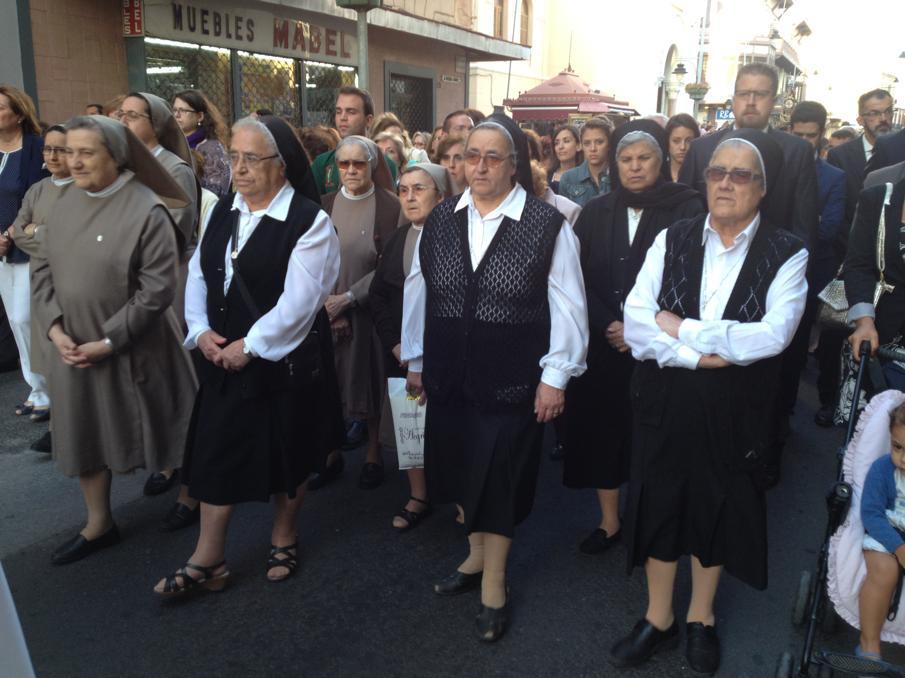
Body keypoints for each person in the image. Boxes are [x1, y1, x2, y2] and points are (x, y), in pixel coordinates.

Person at [614, 130, 807, 673]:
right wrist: (703, 353)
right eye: (717, 172)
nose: (725, 182)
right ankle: (658, 619)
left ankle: (701, 618)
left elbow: (773, 335)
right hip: (665, 398)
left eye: (740, 175)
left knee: (715, 507)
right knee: (658, 504)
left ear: (762, 188)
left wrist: (684, 330)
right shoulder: (672, 237)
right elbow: (636, 318)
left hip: (735, 409)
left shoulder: (788, 250)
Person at [402, 117, 588, 642]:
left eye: (492, 157)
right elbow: (421, 290)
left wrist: (555, 377)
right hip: (448, 375)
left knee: (499, 478)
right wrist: (415, 359)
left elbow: (569, 308)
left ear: (513, 166)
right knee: (462, 469)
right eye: (470, 155)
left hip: (512, 379)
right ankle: (474, 558)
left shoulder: (546, 225)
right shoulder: (441, 219)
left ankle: (496, 583)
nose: (479, 166)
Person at [152, 115, 342, 595]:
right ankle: (209, 557)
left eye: (251, 159)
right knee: (215, 452)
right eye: (234, 157)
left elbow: (300, 304)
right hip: (221, 351)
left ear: (281, 165)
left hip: (282, 358)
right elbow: (199, 273)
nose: (239, 168)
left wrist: (250, 346)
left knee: (288, 453)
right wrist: (200, 331)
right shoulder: (223, 210)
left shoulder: (309, 221)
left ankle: (284, 535)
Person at [31, 116, 196, 565]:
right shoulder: (61, 203)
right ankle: (99, 522)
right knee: (85, 430)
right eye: (69, 151)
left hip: (140, 344)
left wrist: (109, 339)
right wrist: (54, 329)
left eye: (86, 152)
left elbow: (158, 288)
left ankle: (193, 497)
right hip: (73, 343)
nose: (73, 161)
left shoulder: (146, 208)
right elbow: (41, 270)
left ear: (116, 156)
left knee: (170, 423)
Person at [564, 120, 705, 556]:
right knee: (604, 432)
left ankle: (652, 521)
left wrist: (638, 329)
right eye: (626, 159)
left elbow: (691, 278)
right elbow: (576, 276)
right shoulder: (597, 211)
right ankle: (610, 521)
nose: (635, 166)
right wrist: (610, 323)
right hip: (605, 342)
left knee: (653, 439)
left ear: (661, 161)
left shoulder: (686, 208)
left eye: (644, 158)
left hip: (659, 346)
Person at [118, 92, 201, 502]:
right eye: (122, 114)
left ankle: (180, 457)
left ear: (157, 123)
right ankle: (161, 450)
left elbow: (172, 232)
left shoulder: (175, 169)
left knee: (171, 369)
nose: (125, 120)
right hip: (130, 281)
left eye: (134, 115)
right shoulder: (122, 168)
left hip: (167, 281)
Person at [309, 136, 401, 492]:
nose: (350, 171)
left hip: (368, 310)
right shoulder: (323, 205)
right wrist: (328, 304)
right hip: (326, 310)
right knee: (327, 385)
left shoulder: (390, 207)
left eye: (358, 164)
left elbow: (388, 266)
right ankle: (330, 454)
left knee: (370, 379)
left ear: (372, 166)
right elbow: (312, 262)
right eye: (343, 164)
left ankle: (373, 454)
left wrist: (347, 299)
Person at [370, 163, 452, 530]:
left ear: (441, 194)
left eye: (419, 188)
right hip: (403, 354)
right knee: (410, 424)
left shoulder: (461, 236)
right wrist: (396, 344)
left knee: (451, 427)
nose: (410, 197)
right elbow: (378, 296)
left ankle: (460, 493)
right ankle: (418, 495)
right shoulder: (397, 238)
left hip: (447, 352)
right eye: (403, 190)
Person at [679, 63, 818, 249]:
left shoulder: (797, 152)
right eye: (744, 94)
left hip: (776, 262)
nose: (751, 102)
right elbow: (685, 214)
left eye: (760, 94)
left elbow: (804, 224)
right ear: (734, 98)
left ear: (773, 100)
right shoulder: (701, 149)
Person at [8, 124, 74, 452]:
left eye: (60, 149)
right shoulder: (37, 190)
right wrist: (42, 234)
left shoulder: (81, 191)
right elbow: (19, 231)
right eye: (47, 149)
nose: (51, 155)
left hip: (73, 284)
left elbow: (72, 239)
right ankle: (57, 425)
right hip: (42, 281)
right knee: (48, 357)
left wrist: (39, 232)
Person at [789, 101, 846, 428]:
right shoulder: (780, 167)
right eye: (799, 134)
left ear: (821, 135)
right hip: (781, 269)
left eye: (810, 136)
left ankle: (827, 401)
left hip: (818, 272)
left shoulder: (834, 178)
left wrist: (797, 225)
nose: (804, 142)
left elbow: (828, 228)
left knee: (825, 343)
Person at [0, 85, 50, 424]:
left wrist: (10, 233)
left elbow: (42, 197)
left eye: (1, 107)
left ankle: (48, 390)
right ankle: (37, 390)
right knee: (16, 322)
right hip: (2, 250)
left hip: (28, 244)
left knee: (28, 317)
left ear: (18, 114)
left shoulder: (35, 148)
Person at [845, 175, 905, 388]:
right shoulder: (878, 198)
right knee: (873, 417)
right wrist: (864, 321)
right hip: (877, 335)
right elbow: (858, 265)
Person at [857, 402, 905, 663]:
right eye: (898, 447)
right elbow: (872, 514)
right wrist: (898, 548)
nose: (903, 458)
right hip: (885, 534)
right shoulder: (883, 470)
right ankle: (869, 646)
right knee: (885, 572)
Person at [310, 87, 397, 195]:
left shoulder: (385, 164)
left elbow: (388, 206)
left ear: (369, 120)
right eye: (338, 111)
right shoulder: (322, 163)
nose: (343, 117)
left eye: (351, 112)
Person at [828, 89, 894, 228]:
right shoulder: (840, 156)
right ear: (860, 120)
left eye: (888, 111)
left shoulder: (900, 150)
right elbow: (837, 208)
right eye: (874, 113)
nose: (883, 118)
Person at [172, 89, 231, 197]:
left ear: (200, 116)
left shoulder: (211, 148)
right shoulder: (171, 144)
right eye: (174, 110)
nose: (177, 115)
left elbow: (215, 192)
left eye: (183, 111)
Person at [559, 116, 614, 207]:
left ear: (609, 144)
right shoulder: (568, 178)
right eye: (587, 143)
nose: (593, 149)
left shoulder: (619, 175)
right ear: (581, 145)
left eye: (599, 142)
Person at [665, 113, 700, 182]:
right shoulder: (657, 173)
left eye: (689, 141)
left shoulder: (702, 176)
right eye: (676, 141)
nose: (682, 147)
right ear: (667, 141)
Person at [547, 125, 582, 195]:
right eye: (556, 143)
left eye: (566, 141)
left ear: (578, 146)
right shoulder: (546, 176)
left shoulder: (586, 176)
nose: (560, 147)